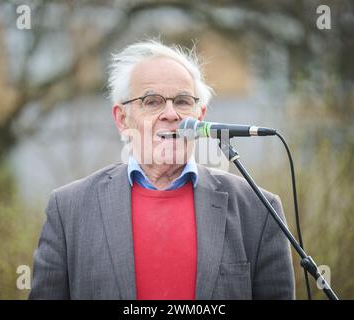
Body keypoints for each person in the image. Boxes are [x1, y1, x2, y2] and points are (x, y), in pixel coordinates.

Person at [29, 40, 295, 300]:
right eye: (152, 101)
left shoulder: (259, 210)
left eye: (182, 101)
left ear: (200, 117)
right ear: (122, 119)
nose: (171, 114)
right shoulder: (69, 209)